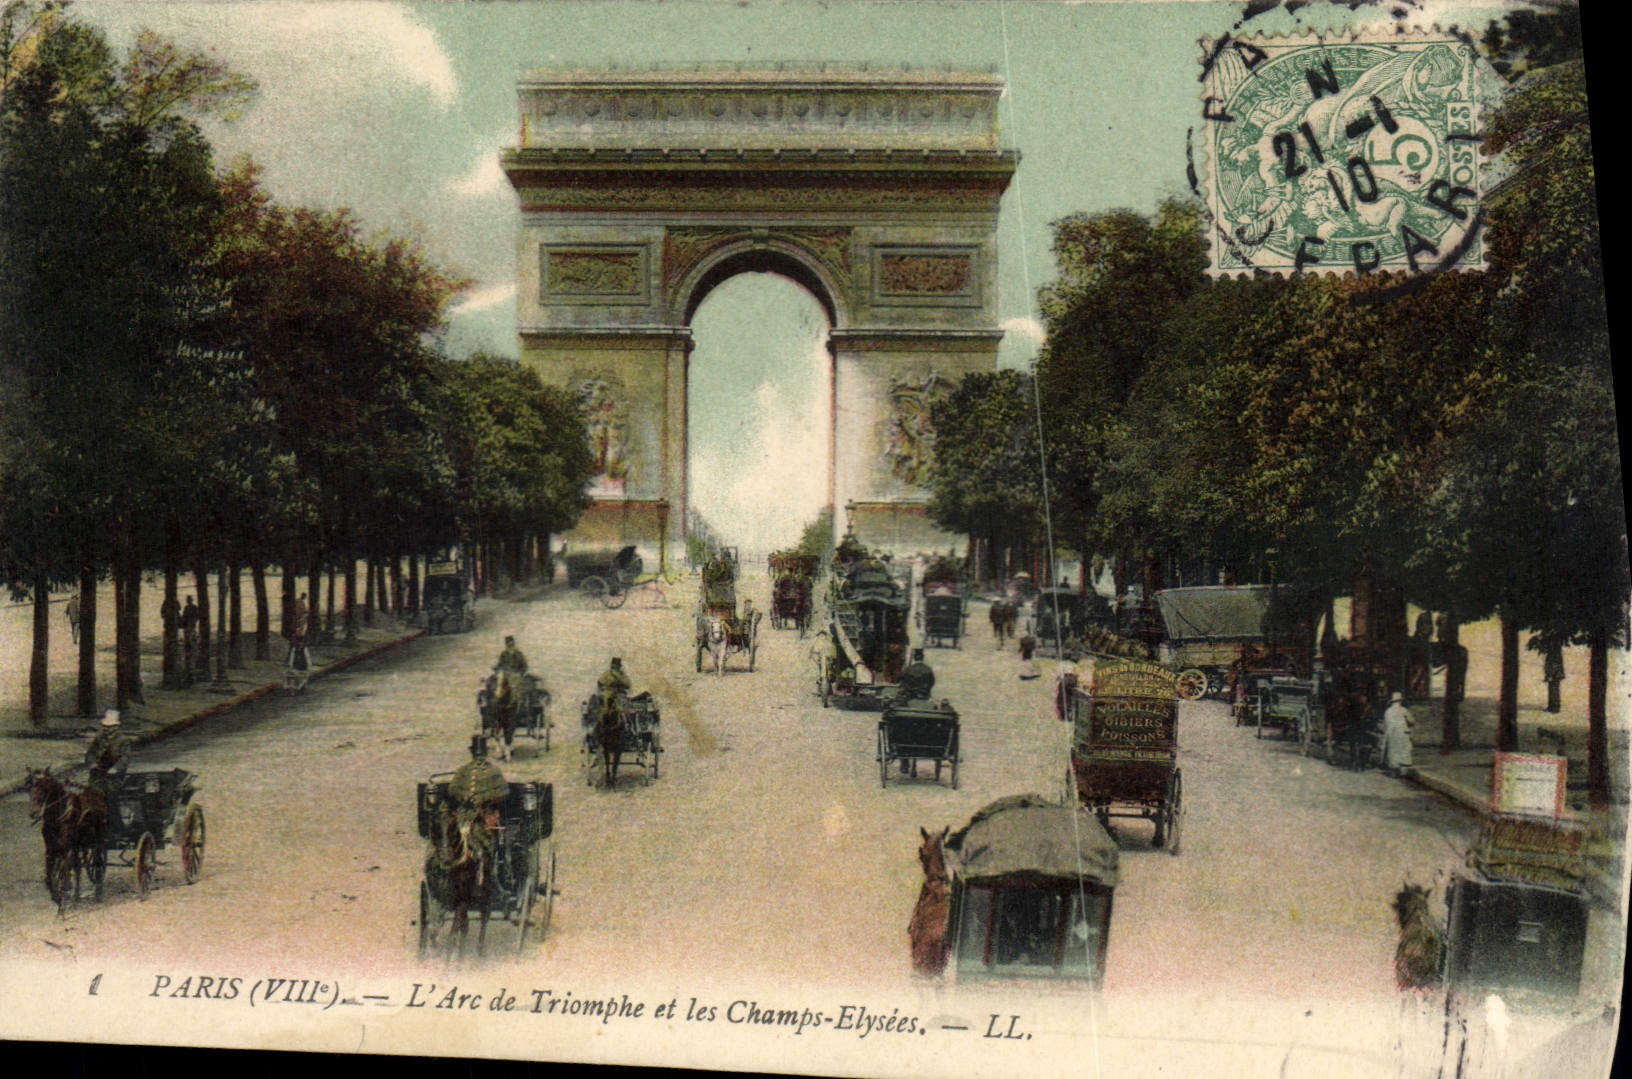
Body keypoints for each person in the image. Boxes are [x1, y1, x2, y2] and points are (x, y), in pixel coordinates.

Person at [84, 710, 130, 800]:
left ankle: (111, 811)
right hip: (98, 770)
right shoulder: (99, 738)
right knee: (92, 792)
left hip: (114, 774)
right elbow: (91, 753)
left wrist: (116, 768)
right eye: (104, 726)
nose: (106, 729)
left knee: (111, 792)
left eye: (109, 727)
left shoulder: (123, 740)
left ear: (116, 727)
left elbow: (125, 757)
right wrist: (91, 763)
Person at [1381, 691, 1414, 776]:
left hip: (1391, 734)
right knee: (1403, 750)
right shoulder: (1403, 710)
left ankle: (1394, 769)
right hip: (1402, 733)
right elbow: (1411, 721)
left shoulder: (1387, 711)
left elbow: (1385, 724)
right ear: (1400, 701)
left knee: (1393, 751)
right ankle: (1403, 771)